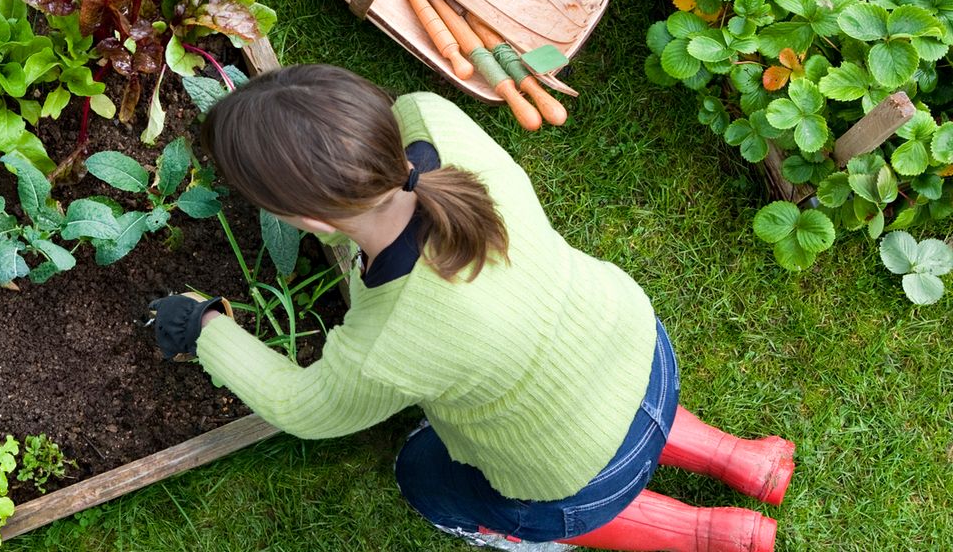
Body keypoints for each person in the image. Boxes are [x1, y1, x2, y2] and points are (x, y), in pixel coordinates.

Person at [145, 65, 795, 552]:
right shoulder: (432, 120)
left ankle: (708, 534)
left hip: (578, 475)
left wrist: (203, 327)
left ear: (313, 222)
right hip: (639, 349)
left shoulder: (388, 342)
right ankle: (744, 460)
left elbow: (300, 407)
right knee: (593, 400)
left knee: (423, 475)